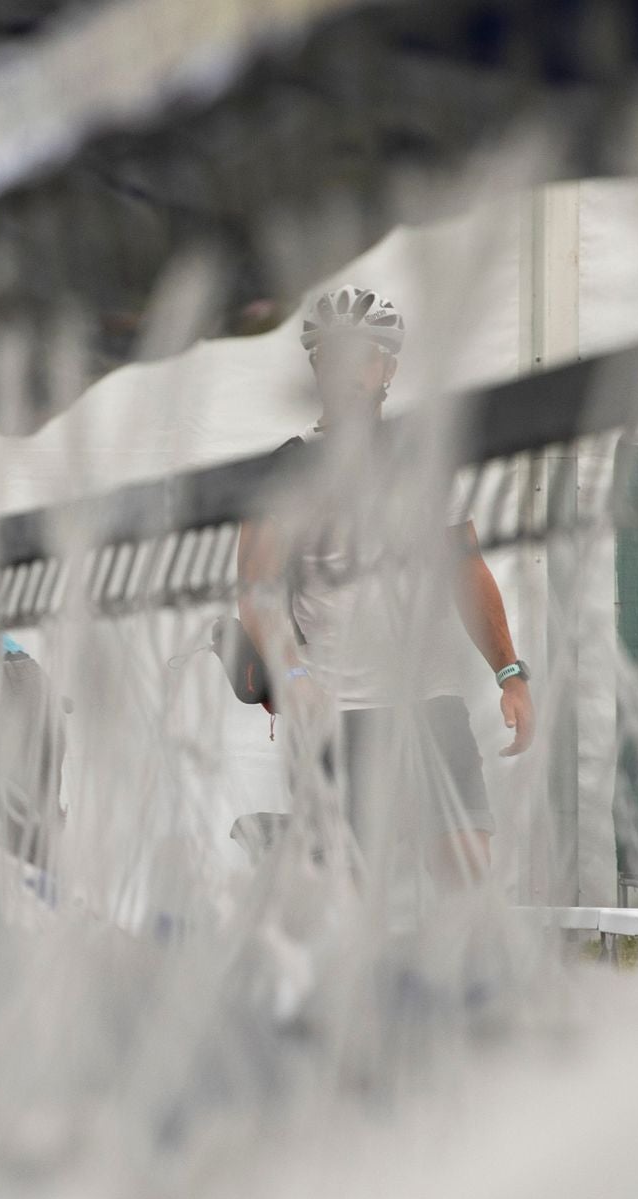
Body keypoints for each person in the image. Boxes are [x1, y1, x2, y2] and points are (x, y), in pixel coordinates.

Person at [237, 288, 535, 880]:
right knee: (342, 896)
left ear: (388, 369)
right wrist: (293, 675)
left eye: (364, 357)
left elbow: (466, 571)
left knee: (468, 871)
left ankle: (454, 974)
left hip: (431, 703)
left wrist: (510, 674)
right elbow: (256, 593)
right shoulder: (287, 470)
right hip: (334, 714)